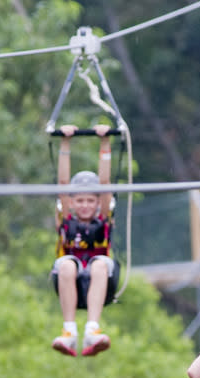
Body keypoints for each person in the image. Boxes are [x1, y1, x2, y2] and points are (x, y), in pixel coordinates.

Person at [50, 123, 117, 357]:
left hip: (100, 274)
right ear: (72, 202)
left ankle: (92, 328)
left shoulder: (104, 216)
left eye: (90, 200)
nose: (85, 205)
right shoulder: (66, 217)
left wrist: (105, 142)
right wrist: (65, 142)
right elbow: (62, 184)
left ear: (98, 202)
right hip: (71, 274)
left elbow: (105, 184)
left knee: (99, 264)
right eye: (79, 201)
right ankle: (69, 332)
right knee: (66, 264)